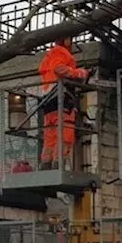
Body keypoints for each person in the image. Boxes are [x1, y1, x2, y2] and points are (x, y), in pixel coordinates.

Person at [37, 37, 89, 168]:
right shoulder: (61, 52)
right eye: (70, 40)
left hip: (49, 100)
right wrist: (80, 73)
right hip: (61, 98)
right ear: (65, 40)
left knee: (51, 136)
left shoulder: (49, 56)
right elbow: (59, 69)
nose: (71, 43)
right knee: (66, 133)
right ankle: (58, 164)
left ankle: (46, 164)